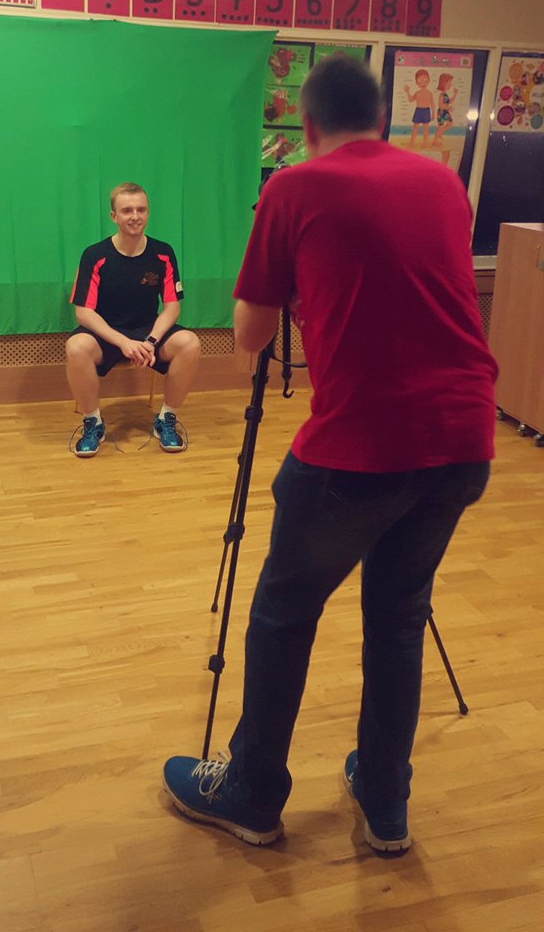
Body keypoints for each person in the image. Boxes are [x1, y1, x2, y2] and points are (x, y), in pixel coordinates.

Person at [163, 55, 497, 854]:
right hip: (463, 438)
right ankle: (385, 801)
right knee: (396, 616)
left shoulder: (293, 187)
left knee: (283, 613)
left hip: (359, 450)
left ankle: (250, 794)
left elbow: (247, 337)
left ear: (306, 128)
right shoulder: (442, 182)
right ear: (382, 119)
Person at [66, 182, 200, 456]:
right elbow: (83, 312)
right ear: (114, 216)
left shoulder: (163, 253)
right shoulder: (94, 255)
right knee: (76, 346)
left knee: (190, 343)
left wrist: (151, 341)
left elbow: (172, 307)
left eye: (141, 209)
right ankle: (93, 423)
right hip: (106, 334)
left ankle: (166, 419)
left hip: (147, 333)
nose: (135, 216)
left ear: (148, 213)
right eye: (127, 210)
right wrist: (123, 342)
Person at [404, 67, 435, 148]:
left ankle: (425, 143)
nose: (423, 81)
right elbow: (411, 100)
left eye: (425, 79)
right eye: (420, 79)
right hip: (418, 111)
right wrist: (407, 92)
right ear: (416, 82)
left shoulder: (429, 93)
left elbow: (432, 104)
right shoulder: (417, 93)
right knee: (415, 128)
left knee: (426, 128)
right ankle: (412, 142)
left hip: (426, 111)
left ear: (428, 80)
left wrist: (433, 114)